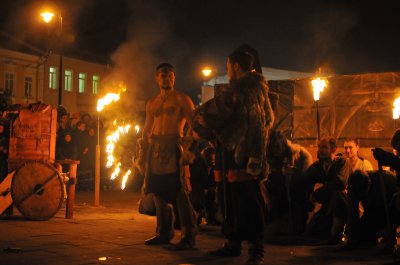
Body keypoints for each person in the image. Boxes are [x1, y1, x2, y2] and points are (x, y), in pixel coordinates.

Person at [192, 46, 274, 265]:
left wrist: (204, 127)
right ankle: (235, 244)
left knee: (241, 201)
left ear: (235, 66)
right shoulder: (260, 90)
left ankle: (254, 250)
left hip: (234, 154)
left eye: (228, 66)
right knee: (236, 199)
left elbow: (208, 118)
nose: (227, 70)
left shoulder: (235, 91)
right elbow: (269, 119)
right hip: (250, 154)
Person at [137, 63, 197, 250]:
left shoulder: (182, 99)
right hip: (155, 150)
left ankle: (189, 234)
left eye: (170, 75)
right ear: (157, 78)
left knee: (179, 191)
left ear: (174, 78)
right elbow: (147, 129)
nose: (167, 78)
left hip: (174, 148)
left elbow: (195, 125)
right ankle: (163, 232)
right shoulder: (151, 103)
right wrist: (142, 154)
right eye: (163, 76)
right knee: (158, 193)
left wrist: (188, 149)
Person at [294, 137, 351, 244]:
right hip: (326, 205)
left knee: (339, 194)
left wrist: (318, 193)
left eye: (324, 147)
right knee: (313, 231)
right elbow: (303, 180)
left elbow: (340, 182)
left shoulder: (342, 162)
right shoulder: (318, 166)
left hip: (340, 205)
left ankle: (338, 233)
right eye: (319, 147)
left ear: (333, 149)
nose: (320, 150)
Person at [266, 130, 313, 234]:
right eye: (274, 148)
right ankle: (281, 222)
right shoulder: (271, 156)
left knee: (297, 192)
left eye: (278, 147)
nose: (277, 150)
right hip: (282, 184)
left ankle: (297, 226)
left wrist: (290, 174)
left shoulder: (297, 154)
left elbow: (305, 178)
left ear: (283, 145)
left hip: (299, 178)